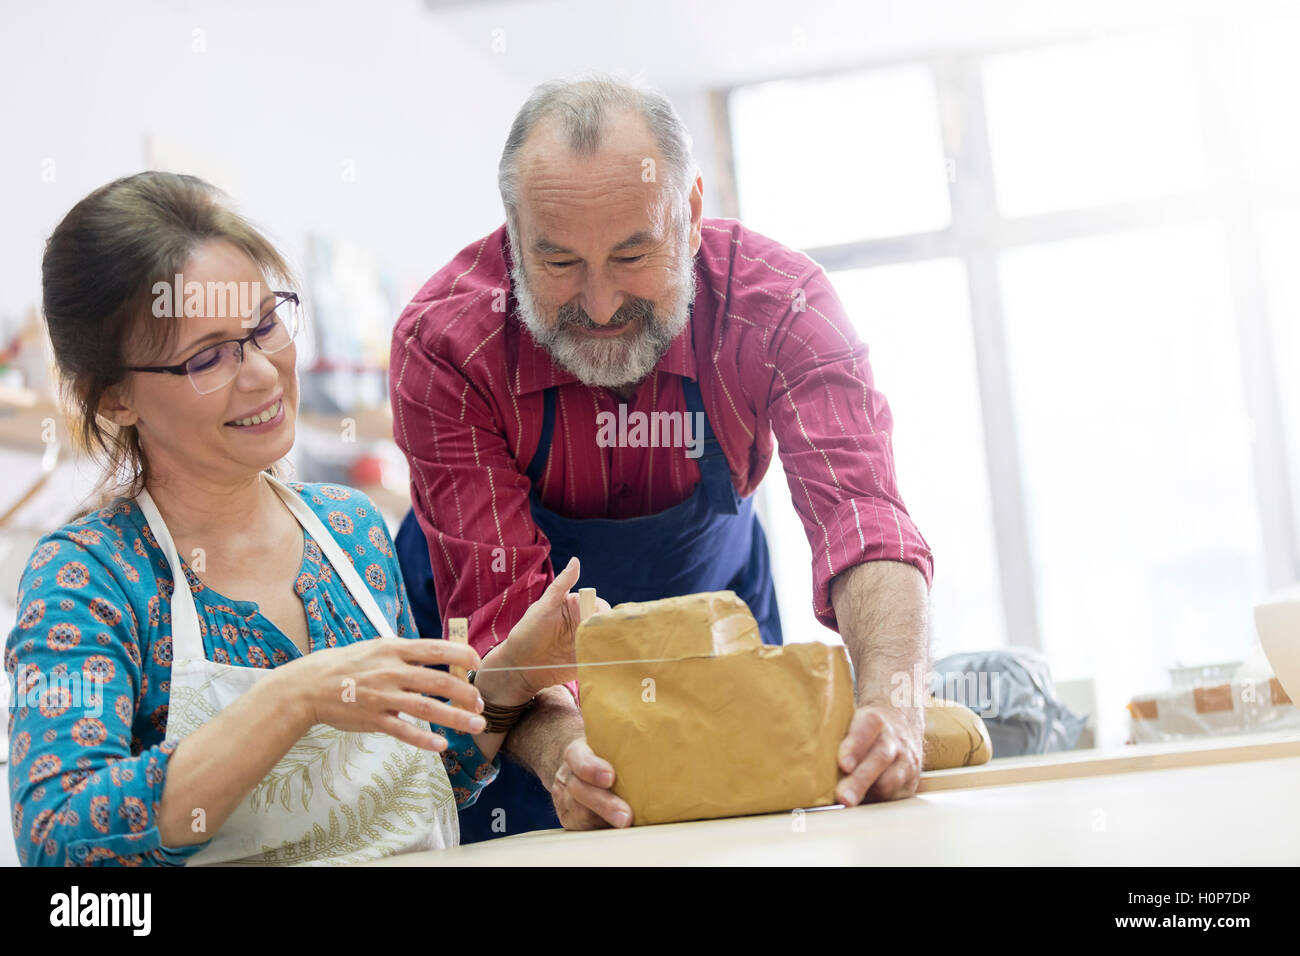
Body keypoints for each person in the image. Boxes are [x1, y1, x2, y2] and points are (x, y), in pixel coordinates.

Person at [391, 73, 935, 841]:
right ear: (513, 232)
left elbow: (864, 522)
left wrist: (892, 701)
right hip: (506, 687)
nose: (603, 303)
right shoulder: (446, 344)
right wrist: (566, 757)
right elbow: (501, 621)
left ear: (689, 214)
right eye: (559, 265)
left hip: (707, 617)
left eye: (632, 255)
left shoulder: (782, 304)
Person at [5, 172, 593, 866]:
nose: (259, 371)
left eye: (263, 327)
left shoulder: (351, 531)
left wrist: (510, 679)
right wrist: (292, 700)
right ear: (114, 400)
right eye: (206, 357)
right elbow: (62, 844)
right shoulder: (90, 578)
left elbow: (428, 775)